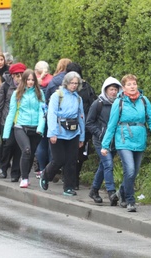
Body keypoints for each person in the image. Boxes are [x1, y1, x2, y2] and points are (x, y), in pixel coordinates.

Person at [101, 74, 151, 212]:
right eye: (129, 85)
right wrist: (105, 145)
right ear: (123, 88)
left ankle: (121, 193)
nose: (132, 87)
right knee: (129, 170)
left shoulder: (144, 101)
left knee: (133, 172)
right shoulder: (119, 102)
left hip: (139, 139)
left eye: (134, 84)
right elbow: (111, 125)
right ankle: (130, 200)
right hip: (123, 140)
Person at [39, 71, 85, 196]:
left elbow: (81, 117)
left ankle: (68, 187)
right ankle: (46, 175)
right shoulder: (57, 96)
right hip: (58, 132)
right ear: (66, 83)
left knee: (71, 161)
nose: (74, 85)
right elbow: (52, 114)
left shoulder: (78, 98)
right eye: (71, 83)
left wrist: (82, 136)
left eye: (76, 83)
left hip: (73, 133)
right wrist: (53, 133)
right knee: (59, 159)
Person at [2, 69, 45, 188]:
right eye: (28, 79)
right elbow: (11, 113)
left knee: (30, 154)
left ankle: (24, 174)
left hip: (36, 128)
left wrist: (40, 128)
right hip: (21, 126)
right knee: (26, 150)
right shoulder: (17, 94)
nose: (30, 82)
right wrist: (6, 133)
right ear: (24, 80)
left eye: (32, 80)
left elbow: (43, 112)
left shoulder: (40, 93)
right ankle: (24, 179)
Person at [86, 76, 121, 205]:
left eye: (115, 89)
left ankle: (94, 190)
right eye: (111, 89)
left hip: (114, 141)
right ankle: (111, 192)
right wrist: (100, 133)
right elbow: (89, 123)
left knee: (103, 166)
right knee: (108, 164)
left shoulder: (119, 104)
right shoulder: (98, 104)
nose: (113, 92)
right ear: (105, 90)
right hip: (100, 140)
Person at [0, 63, 26, 181]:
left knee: (19, 148)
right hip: (6, 121)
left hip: (21, 122)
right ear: (12, 76)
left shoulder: (28, 88)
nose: (20, 78)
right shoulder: (5, 87)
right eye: (17, 76)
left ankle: (15, 173)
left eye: (22, 75)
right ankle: (3, 166)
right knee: (8, 144)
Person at [67, 62, 97, 190]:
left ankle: (74, 179)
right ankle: (71, 179)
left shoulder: (87, 88)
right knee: (72, 154)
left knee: (79, 155)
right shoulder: (64, 90)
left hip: (81, 126)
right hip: (71, 126)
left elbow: (93, 105)